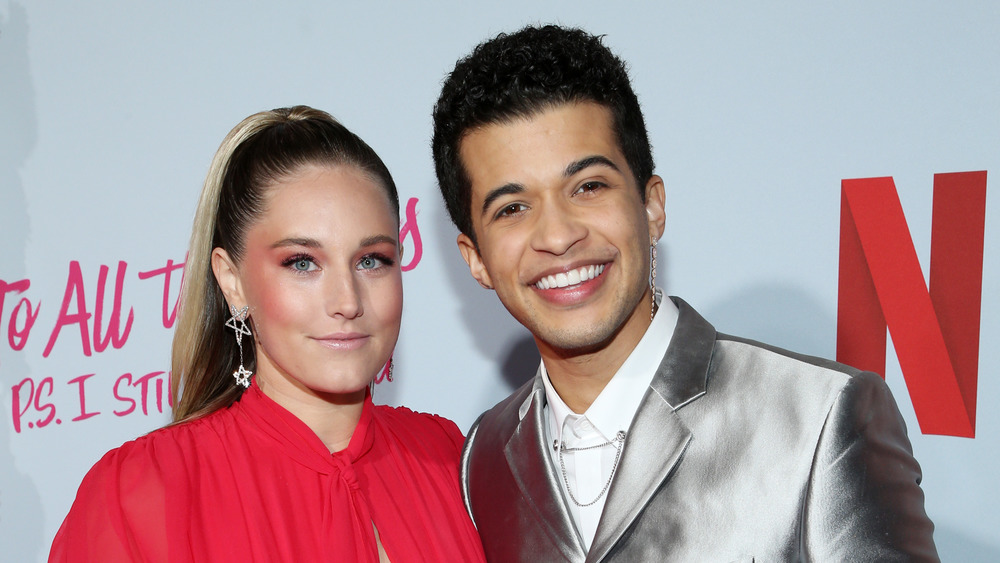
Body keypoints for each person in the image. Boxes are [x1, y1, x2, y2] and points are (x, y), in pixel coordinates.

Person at [432, 25, 938, 562]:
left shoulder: (820, 417)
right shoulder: (480, 458)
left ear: (652, 207)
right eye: (512, 208)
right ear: (477, 260)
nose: (558, 236)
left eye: (588, 187)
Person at [51, 106, 486, 562]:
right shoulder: (140, 491)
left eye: (372, 260)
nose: (348, 300)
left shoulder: (452, 459)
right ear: (232, 280)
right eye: (302, 262)